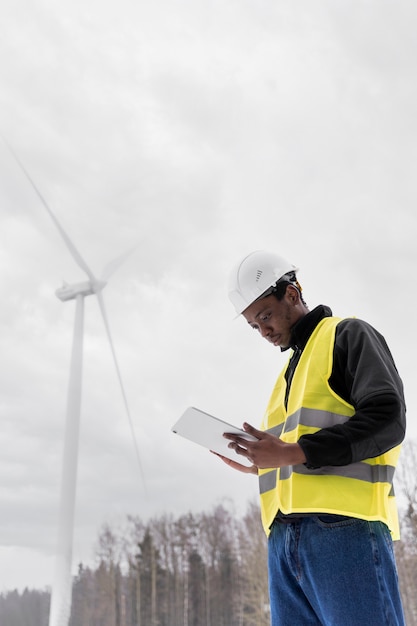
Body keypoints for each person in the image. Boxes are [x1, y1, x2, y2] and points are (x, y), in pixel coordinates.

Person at [215, 250, 406, 626]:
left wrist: (292, 453)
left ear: (292, 293)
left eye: (265, 316)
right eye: (254, 326)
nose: (264, 331)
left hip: (343, 531)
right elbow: (295, 457)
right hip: (283, 543)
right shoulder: (287, 374)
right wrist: (262, 465)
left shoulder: (347, 334)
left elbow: (387, 419)